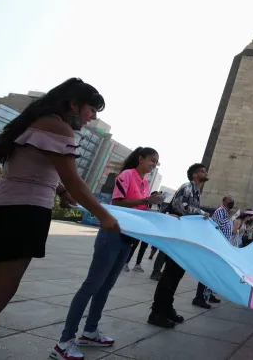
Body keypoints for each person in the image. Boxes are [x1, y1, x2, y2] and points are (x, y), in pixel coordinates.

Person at [0, 78, 120, 328]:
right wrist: (103, 215)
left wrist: (60, 190)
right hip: (22, 216)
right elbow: (74, 180)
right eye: (91, 110)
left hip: (2, 208)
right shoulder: (59, 128)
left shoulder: (35, 122)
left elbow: (33, 168)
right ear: (73, 104)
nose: (91, 117)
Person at [52, 147, 163, 360]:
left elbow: (138, 210)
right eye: (151, 160)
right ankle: (64, 342)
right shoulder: (126, 175)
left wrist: (156, 211)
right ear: (140, 159)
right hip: (110, 235)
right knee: (91, 285)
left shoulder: (145, 183)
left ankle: (90, 331)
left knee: (106, 287)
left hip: (127, 238)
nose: (153, 165)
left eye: (156, 163)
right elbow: (118, 203)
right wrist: (146, 201)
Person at [149, 163, 217, 327]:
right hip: (177, 237)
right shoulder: (187, 187)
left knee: (176, 274)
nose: (206, 172)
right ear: (194, 175)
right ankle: (157, 312)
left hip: (184, 238)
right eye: (203, 170)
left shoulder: (197, 192)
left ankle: (167, 307)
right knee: (169, 275)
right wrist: (202, 213)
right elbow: (180, 206)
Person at [190, 196, 234, 308]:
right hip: (216, 246)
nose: (231, 202)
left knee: (214, 272)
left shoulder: (225, 212)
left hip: (220, 246)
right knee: (208, 271)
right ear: (224, 201)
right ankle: (199, 297)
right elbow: (217, 226)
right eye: (229, 200)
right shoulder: (220, 211)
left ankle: (208, 295)